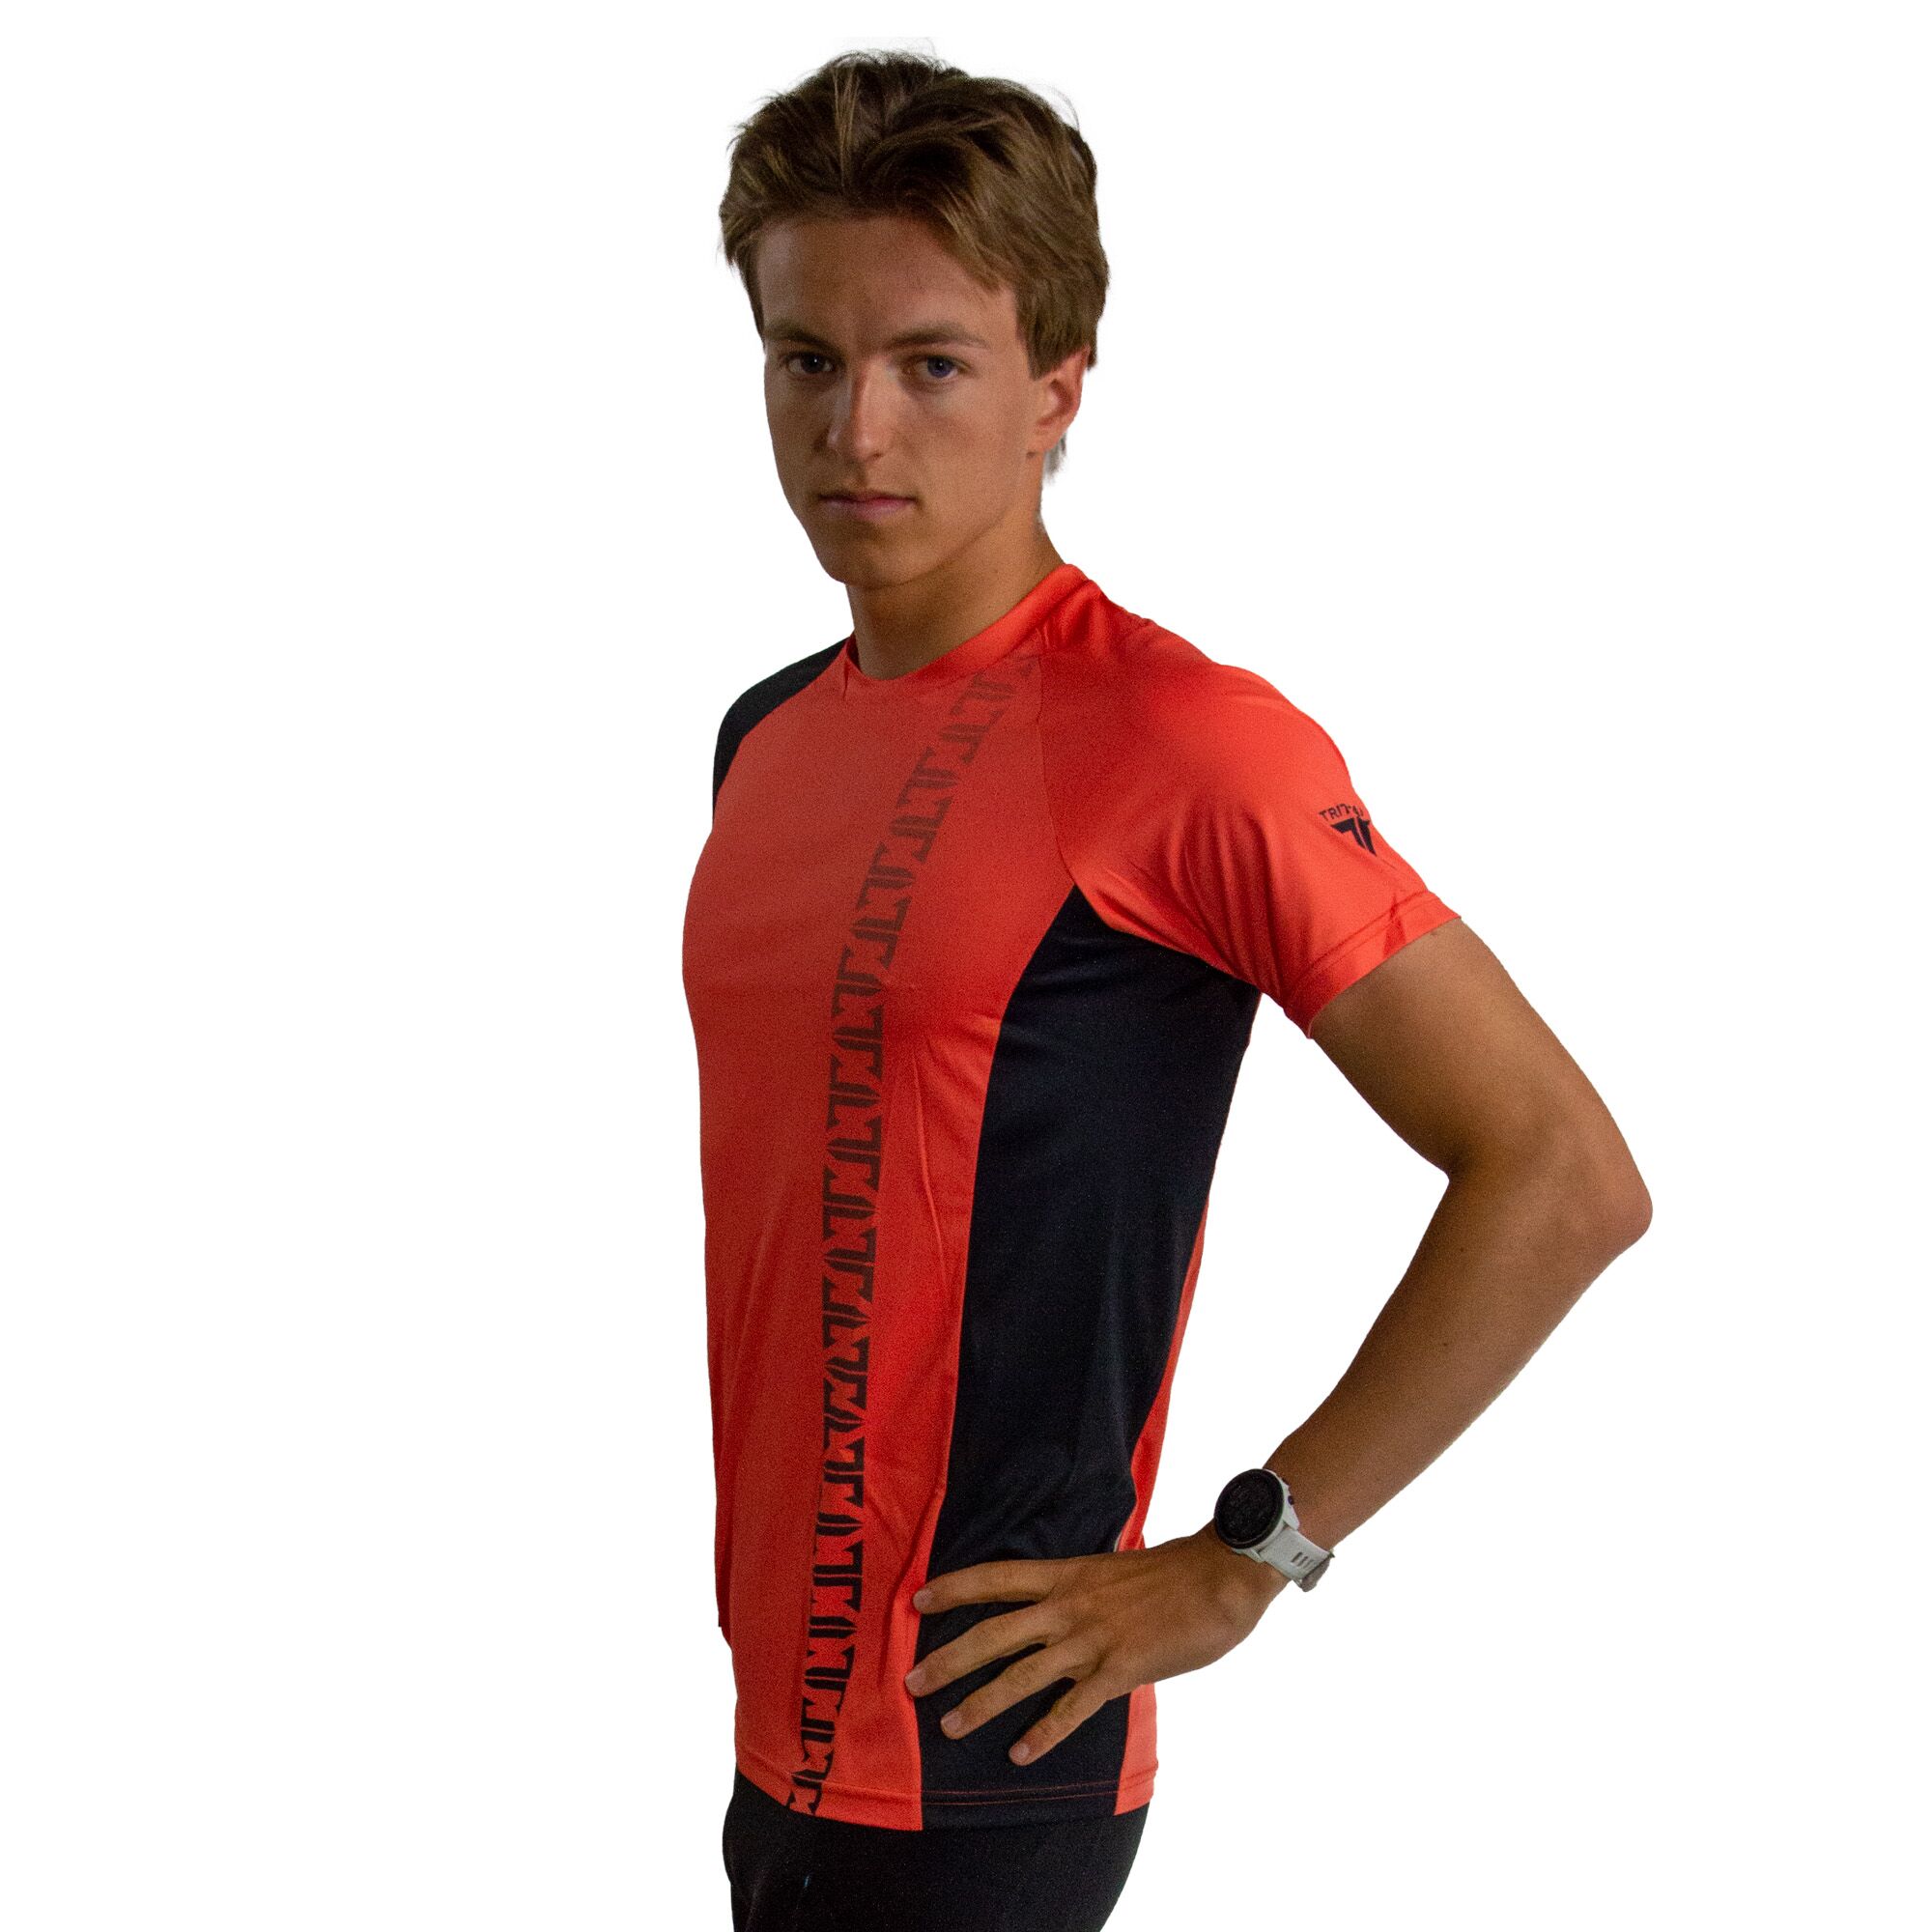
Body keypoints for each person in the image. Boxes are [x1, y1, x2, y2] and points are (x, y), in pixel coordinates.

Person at [683, 47, 1650, 1932]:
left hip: (991, 1748)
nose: (854, 428)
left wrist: (1244, 1557)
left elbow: (1561, 1170)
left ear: (1058, 387)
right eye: (806, 358)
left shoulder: (1180, 744)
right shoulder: (764, 737)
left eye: (931, 364)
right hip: (771, 1739)